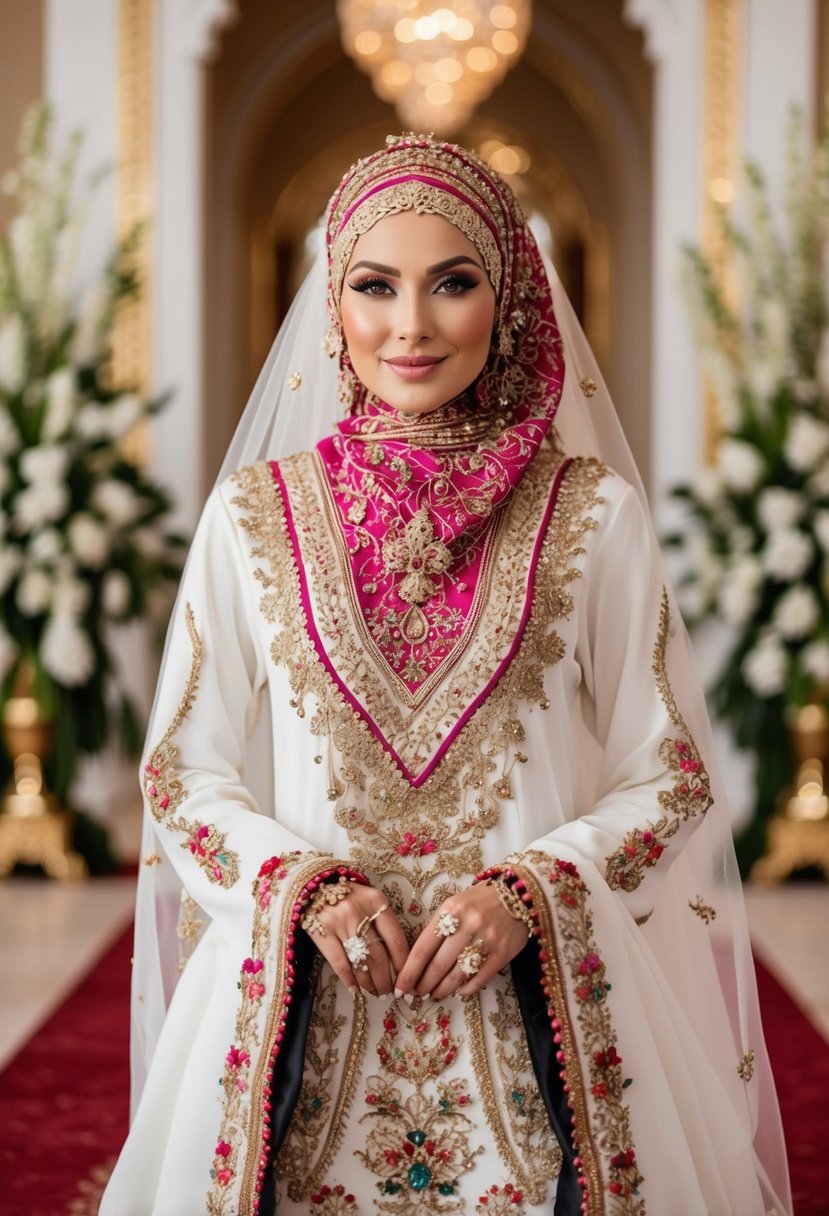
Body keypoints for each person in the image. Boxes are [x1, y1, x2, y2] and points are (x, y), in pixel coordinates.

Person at [100, 135, 791, 1216]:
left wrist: (534, 889)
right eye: (374, 286)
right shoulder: (252, 517)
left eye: (453, 283)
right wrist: (302, 888)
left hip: (550, 1002)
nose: (410, 325)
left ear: (508, 299)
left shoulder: (593, 511)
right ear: (334, 302)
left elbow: (670, 773)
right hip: (301, 1001)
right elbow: (181, 774)